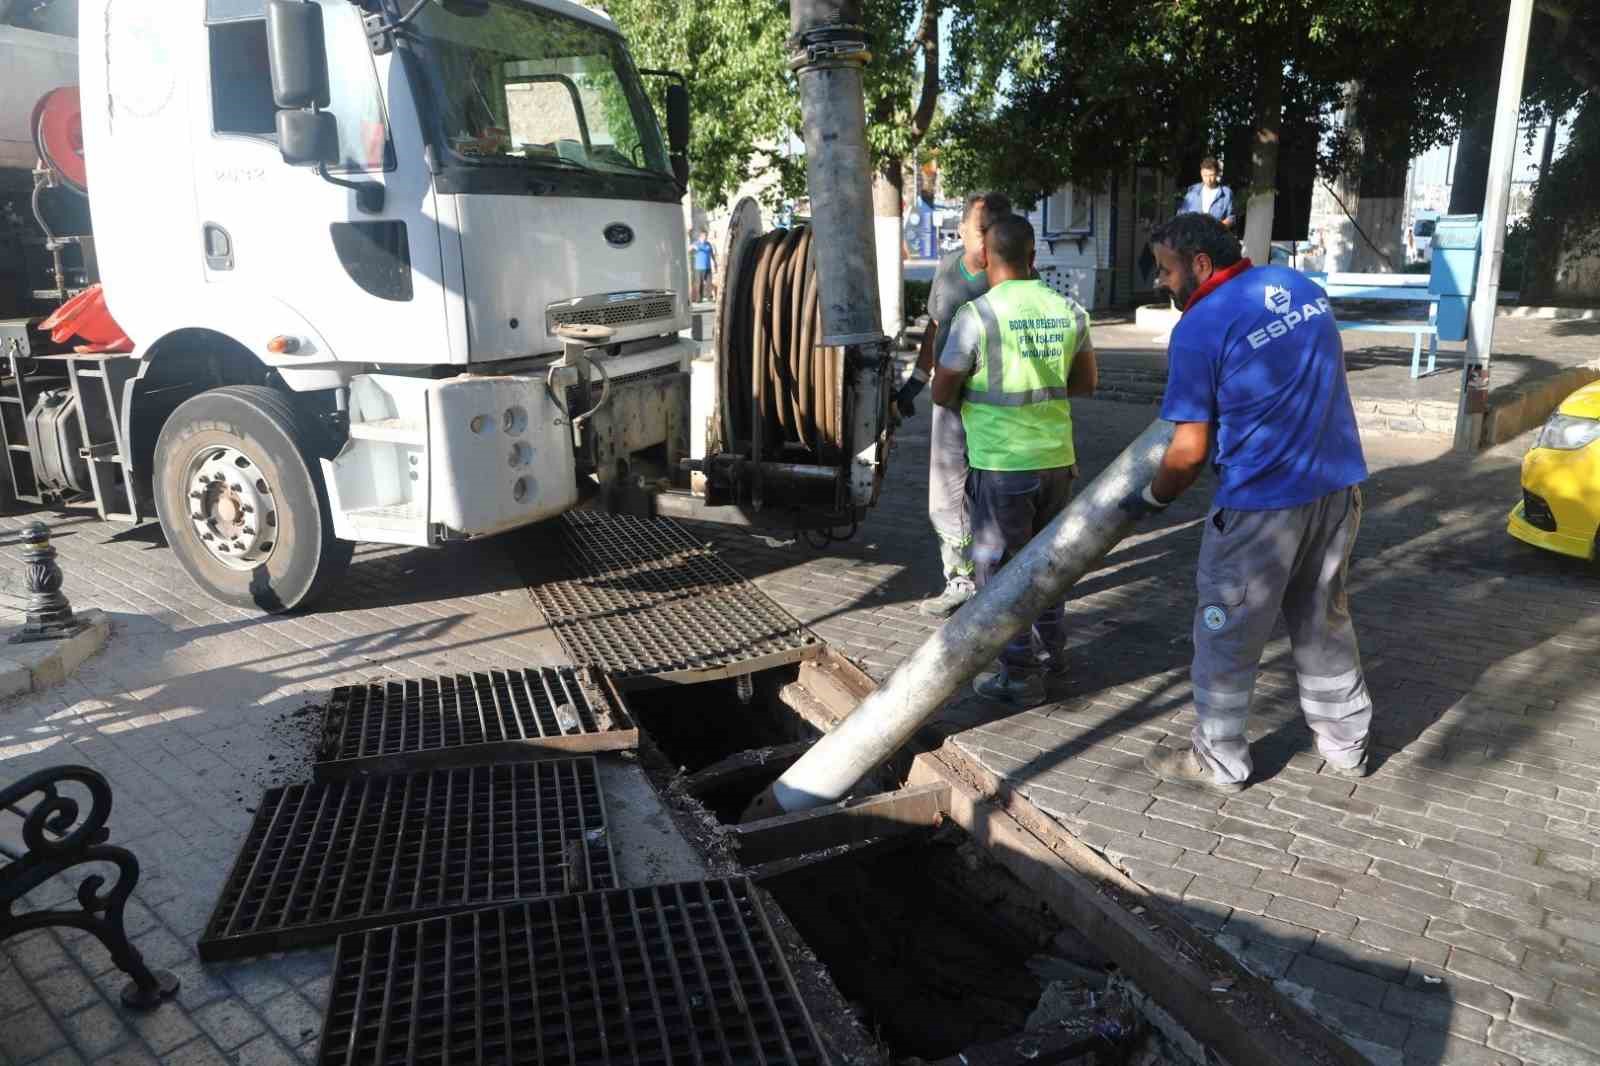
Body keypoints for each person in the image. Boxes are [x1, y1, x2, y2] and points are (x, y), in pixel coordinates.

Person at [1121, 212, 1370, 792]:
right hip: (1336, 491)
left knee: (1226, 633)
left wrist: (1150, 502)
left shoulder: (1201, 328)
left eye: (1165, 270)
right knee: (1323, 619)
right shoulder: (1304, 289)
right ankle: (1347, 745)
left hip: (1260, 509)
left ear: (1200, 264)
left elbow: (1187, 452)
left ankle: (1221, 759)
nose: (1161, 282)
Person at [932, 215, 1098, 707]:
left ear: (986, 259)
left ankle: (1017, 671)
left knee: (1003, 574)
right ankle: (1055, 657)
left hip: (1002, 466)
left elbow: (942, 392)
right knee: (1050, 566)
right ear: (1034, 257)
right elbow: (1087, 383)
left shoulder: (977, 316)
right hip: (1056, 462)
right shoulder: (1068, 309)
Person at [894, 191, 1012, 617]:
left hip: (992, 404)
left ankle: (992, 586)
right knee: (944, 498)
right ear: (962, 228)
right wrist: (917, 381)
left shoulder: (1010, 274)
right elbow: (936, 327)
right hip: (948, 401)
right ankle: (958, 580)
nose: (981, 241)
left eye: (988, 232)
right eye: (976, 230)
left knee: (990, 497)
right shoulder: (948, 269)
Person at [1179, 158, 1237, 230]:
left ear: (1217, 173)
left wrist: (1220, 226)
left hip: (1216, 237)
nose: (1208, 179)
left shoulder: (1226, 193)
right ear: (1201, 173)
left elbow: (1232, 217)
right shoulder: (1192, 192)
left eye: (1211, 175)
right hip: (1193, 237)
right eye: (1205, 175)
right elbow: (1181, 216)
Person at [690, 230, 716, 303]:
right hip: (699, 267)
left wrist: (715, 262)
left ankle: (709, 297)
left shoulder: (708, 244)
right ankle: (699, 298)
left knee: (709, 283)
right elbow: (689, 249)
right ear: (700, 237)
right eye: (704, 236)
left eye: (706, 236)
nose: (705, 237)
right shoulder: (697, 243)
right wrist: (693, 247)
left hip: (708, 267)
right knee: (699, 283)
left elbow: (711, 254)